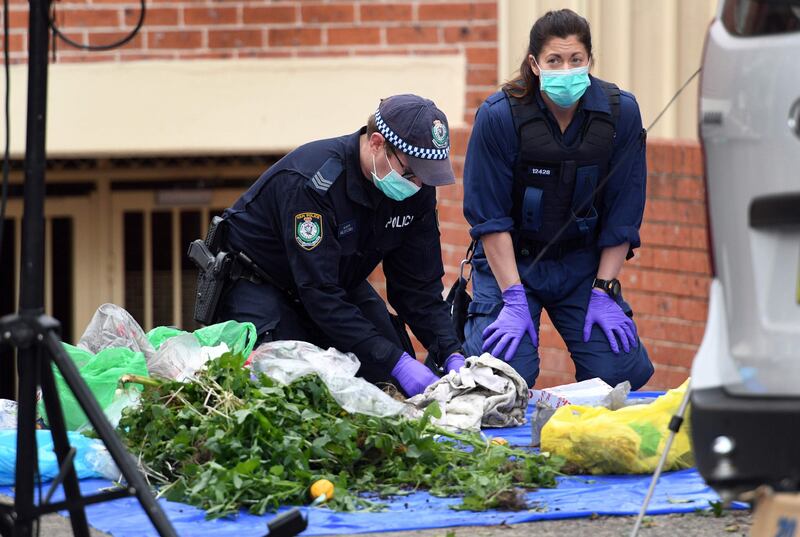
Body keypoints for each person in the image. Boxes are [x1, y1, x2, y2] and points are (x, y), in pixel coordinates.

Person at [212, 94, 465, 397]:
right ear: (376, 144)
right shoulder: (313, 184)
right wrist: (395, 361)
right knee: (292, 388)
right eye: (411, 173)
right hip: (261, 285)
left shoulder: (414, 188)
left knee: (391, 381)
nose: (419, 185)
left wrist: (450, 351)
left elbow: (418, 289)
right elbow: (319, 293)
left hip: (337, 283)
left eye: (426, 176)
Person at [462, 9, 654, 390]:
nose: (565, 69)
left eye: (575, 59)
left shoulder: (621, 113)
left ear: (589, 61)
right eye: (554, 60)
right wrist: (514, 299)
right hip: (511, 264)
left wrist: (603, 290)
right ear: (535, 64)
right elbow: (490, 218)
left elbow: (623, 214)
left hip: (582, 265)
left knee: (619, 372)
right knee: (499, 374)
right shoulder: (499, 116)